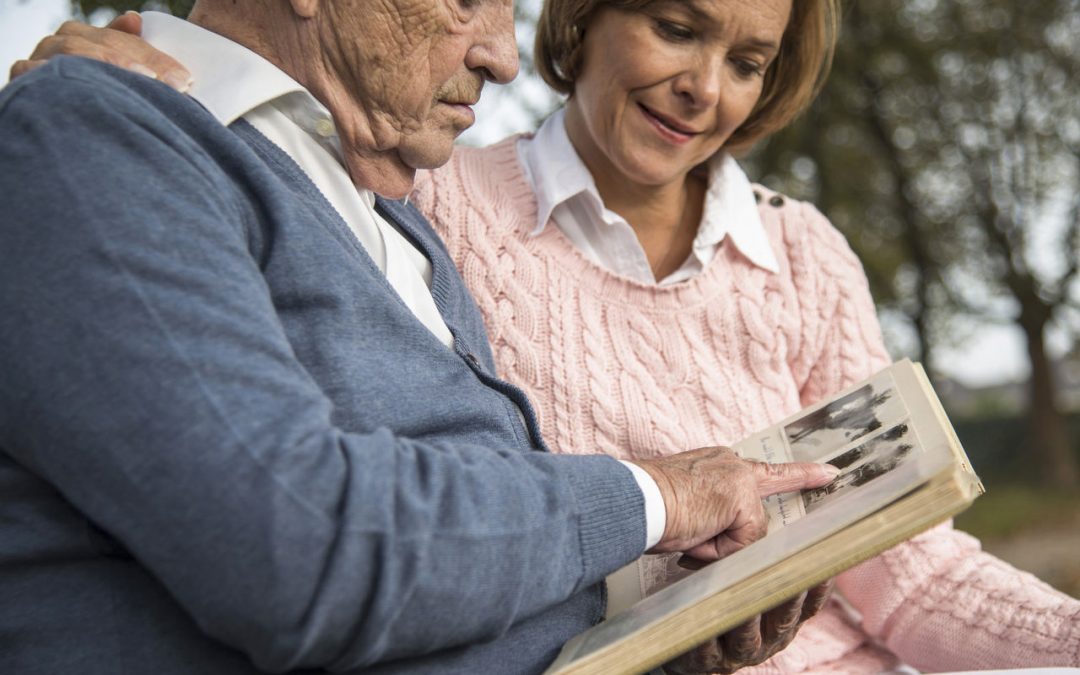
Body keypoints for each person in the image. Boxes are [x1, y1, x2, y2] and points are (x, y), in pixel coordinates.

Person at [14, 0, 1080, 672]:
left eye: (750, 60)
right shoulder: (428, 193)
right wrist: (111, 67)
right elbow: (320, 532)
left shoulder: (799, 255)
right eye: (676, 26)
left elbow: (918, 574)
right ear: (593, 23)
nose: (706, 87)